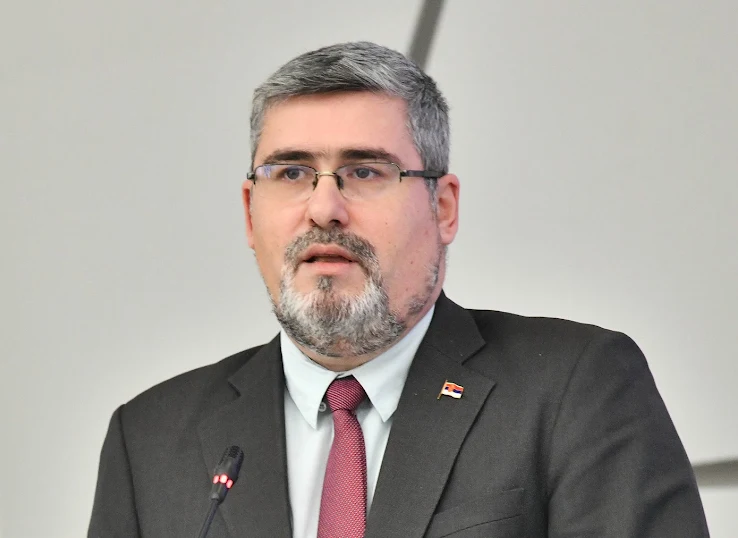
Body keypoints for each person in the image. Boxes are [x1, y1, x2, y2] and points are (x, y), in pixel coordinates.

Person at [88, 41, 708, 538]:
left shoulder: (576, 388)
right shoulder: (150, 440)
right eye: (292, 172)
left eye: (364, 171)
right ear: (251, 214)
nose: (323, 208)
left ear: (443, 207)